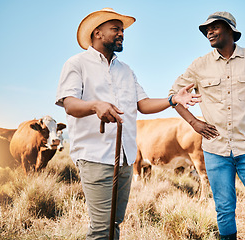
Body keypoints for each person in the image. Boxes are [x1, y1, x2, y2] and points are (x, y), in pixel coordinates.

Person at [55, 8, 201, 240]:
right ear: (98, 33)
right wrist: (95, 106)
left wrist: (173, 100)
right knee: (101, 227)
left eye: (122, 30)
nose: (122, 33)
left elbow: (143, 104)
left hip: (124, 156)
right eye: (116, 29)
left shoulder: (126, 71)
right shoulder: (77, 64)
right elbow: (70, 104)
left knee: (114, 222)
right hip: (95, 155)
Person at [169, 12, 245, 240]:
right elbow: (174, 96)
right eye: (206, 29)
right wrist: (194, 122)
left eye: (214, 27)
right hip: (215, 151)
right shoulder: (199, 65)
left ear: (230, 31)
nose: (209, 32)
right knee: (224, 211)